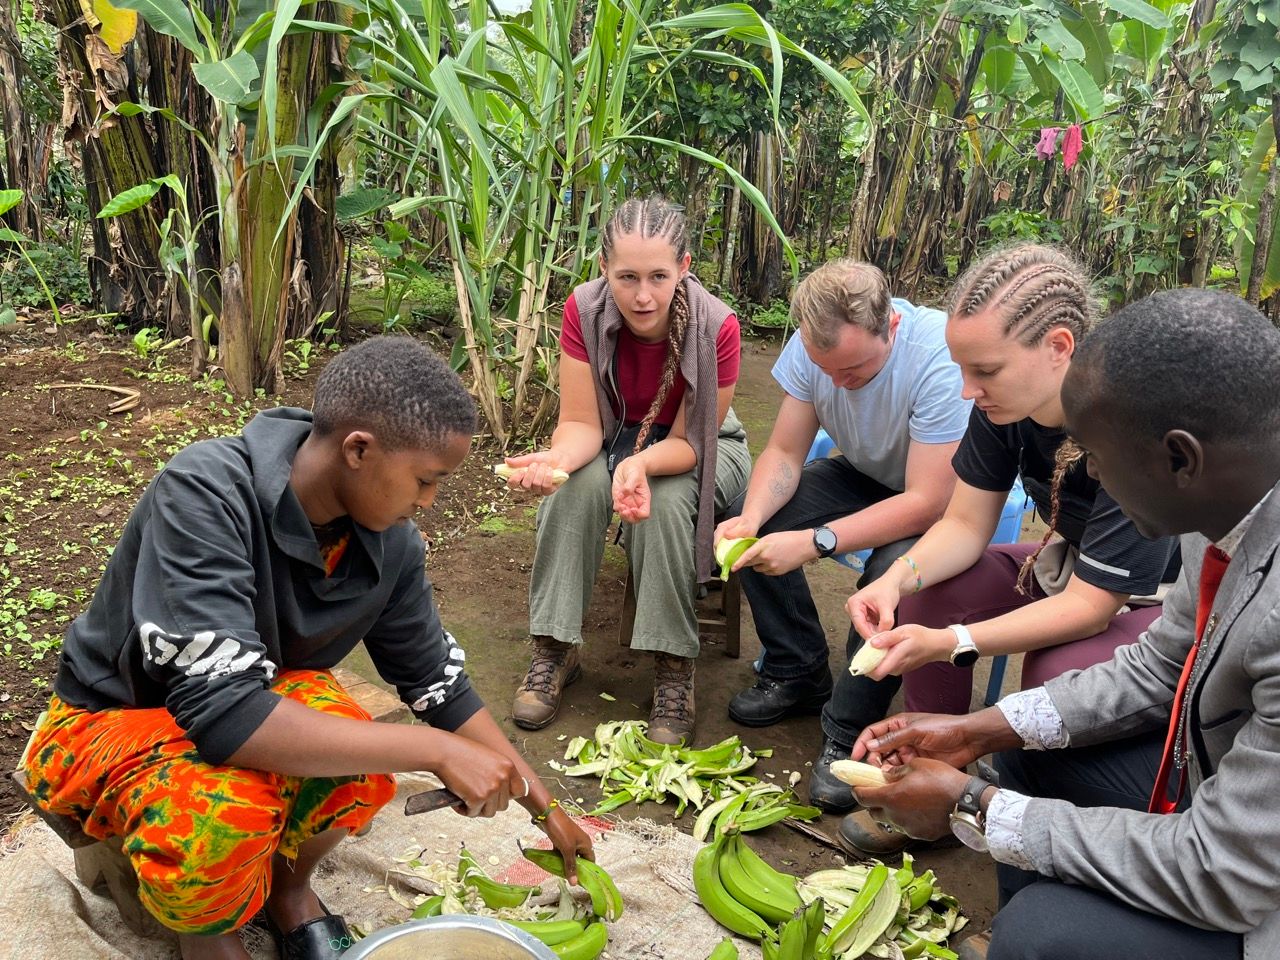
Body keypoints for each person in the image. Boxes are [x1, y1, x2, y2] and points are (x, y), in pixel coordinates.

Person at [21, 337, 593, 960]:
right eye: (425, 480)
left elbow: (439, 686)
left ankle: (289, 891)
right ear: (357, 449)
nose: (427, 501)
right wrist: (435, 751)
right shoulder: (206, 493)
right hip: (111, 718)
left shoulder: (389, 542)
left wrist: (544, 807)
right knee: (222, 811)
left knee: (356, 752)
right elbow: (226, 717)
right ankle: (206, 937)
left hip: (250, 698)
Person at [848, 287, 1280, 960]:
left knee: (1044, 934)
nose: (1088, 474)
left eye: (1096, 457)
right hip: (1232, 792)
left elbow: (1228, 872)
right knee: (1029, 743)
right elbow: (1165, 665)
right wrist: (978, 730)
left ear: (1180, 458)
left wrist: (973, 806)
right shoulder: (1223, 507)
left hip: (1255, 884)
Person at [835, 245, 1181, 855]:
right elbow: (967, 524)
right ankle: (935, 792)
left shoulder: (1129, 423)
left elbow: (1092, 607)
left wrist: (951, 644)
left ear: (1059, 347)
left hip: (1152, 600)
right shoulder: (1004, 409)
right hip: (1065, 562)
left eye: (986, 371)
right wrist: (897, 580)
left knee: (1055, 675)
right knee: (929, 601)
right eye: (961, 368)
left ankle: (1047, 843)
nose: (968, 390)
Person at [714, 258, 970, 810]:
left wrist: (815, 540)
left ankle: (848, 727)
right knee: (749, 518)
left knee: (889, 575)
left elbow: (927, 502)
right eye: (823, 369)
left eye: (852, 371)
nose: (836, 384)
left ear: (892, 328)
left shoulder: (937, 360)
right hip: (863, 472)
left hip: (940, 498)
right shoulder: (816, 347)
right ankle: (798, 667)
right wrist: (752, 520)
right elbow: (784, 451)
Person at [501, 197, 751, 746]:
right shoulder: (583, 310)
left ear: (684, 267)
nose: (643, 295)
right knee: (572, 491)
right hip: (614, 436)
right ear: (603, 267)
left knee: (662, 504)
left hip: (702, 448)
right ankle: (554, 650)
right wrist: (557, 462)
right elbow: (580, 424)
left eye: (659, 276)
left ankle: (672, 667)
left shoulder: (717, 328)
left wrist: (639, 463)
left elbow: (689, 443)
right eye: (627, 276)